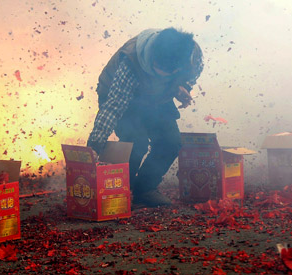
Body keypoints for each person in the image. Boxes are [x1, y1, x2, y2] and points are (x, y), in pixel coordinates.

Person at [86, 27, 204, 207]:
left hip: (159, 99)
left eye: (168, 73)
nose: (160, 75)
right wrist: (95, 144)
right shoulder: (130, 63)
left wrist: (183, 87)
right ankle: (119, 190)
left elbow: (191, 76)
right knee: (135, 143)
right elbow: (113, 107)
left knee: (171, 142)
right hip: (121, 98)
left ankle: (145, 189)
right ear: (153, 57)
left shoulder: (193, 57)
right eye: (157, 70)